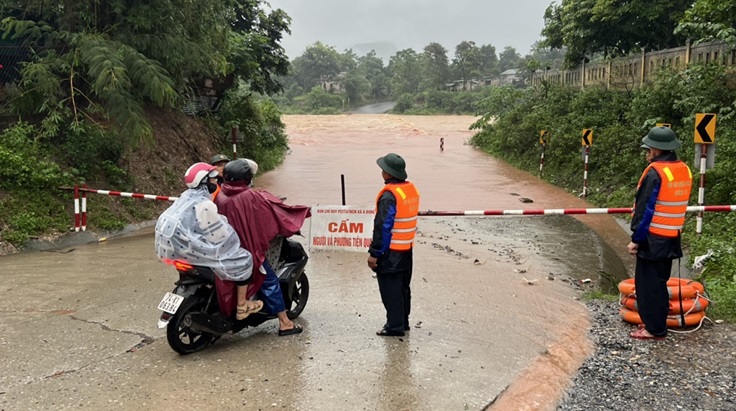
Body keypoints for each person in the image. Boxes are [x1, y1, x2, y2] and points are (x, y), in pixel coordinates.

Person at [154, 162, 263, 320]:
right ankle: (242, 306)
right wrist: (236, 237)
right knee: (244, 259)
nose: (215, 182)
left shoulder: (185, 196)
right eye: (212, 179)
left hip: (169, 250)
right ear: (204, 182)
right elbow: (219, 236)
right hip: (188, 250)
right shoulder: (204, 205)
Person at [214, 158, 311, 336]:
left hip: (225, 249)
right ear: (246, 177)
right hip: (246, 250)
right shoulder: (250, 196)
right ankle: (284, 323)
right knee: (269, 279)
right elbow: (270, 217)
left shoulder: (221, 195)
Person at [628, 126, 692, 340]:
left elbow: (646, 209)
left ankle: (654, 329)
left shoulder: (656, 172)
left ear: (656, 150)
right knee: (660, 282)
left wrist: (636, 239)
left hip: (652, 238)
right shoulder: (683, 169)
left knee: (648, 286)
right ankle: (658, 322)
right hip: (672, 235)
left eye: (648, 150)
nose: (647, 154)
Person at [368, 153, 420, 337]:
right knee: (403, 288)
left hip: (391, 252)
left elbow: (383, 227)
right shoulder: (410, 190)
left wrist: (375, 253)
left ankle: (394, 326)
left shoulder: (389, 196)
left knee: (391, 291)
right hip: (407, 249)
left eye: (383, 169)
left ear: (387, 173)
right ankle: (403, 322)